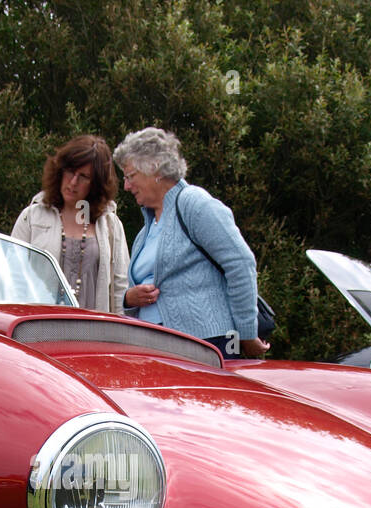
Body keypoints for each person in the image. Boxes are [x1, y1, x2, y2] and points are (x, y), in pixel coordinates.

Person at [113, 126, 268, 358]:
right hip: (157, 350)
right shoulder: (144, 233)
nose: (126, 186)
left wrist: (246, 334)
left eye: (130, 176)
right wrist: (129, 298)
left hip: (206, 346)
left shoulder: (194, 204)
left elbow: (240, 263)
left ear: (154, 168)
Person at [12, 135, 129, 314]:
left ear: (96, 184)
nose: (73, 182)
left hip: (94, 334)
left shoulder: (110, 225)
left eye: (83, 177)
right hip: (39, 331)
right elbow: (13, 277)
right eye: (70, 171)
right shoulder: (32, 217)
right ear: (59, 170)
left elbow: (120, 288)